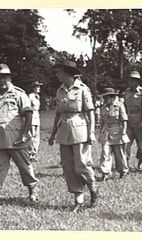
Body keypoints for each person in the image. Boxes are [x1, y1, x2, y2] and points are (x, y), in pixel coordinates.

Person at [48, 60, 98, 213]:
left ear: (67, 73)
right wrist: (52, 134)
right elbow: (58, 114)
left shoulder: (82, 89)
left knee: (81, 165)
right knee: (68, 167)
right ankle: (78, 200)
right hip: (64, 131)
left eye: (59, 72)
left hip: (80, 130)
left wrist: (91, 132)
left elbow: (90, 112)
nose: (57, 75)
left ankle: (93, 188)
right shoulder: (60, 90)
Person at [0, 64, 39, 204]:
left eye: (4, 77)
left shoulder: (19, 94)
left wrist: (25, 133)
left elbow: (28, 114)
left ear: (9, 78)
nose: (1, 81)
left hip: (16, 138)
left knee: (24, 166)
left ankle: (33, 190)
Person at [98, 88, 130, 181]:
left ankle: (123, 171)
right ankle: (105, 172)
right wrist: (101, 133)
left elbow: (124, 121)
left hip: (117, 132)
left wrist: (123, 133)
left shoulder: (119, 106)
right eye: (104, 98)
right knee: (105, 153)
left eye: (107, 98)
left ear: (112, 98)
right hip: (106, 132)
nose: (105, 100)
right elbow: (102, 122)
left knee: (119, 154)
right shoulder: (103, 107)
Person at [124, 71, 142, 170]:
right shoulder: (127, 92)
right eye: (129, 80)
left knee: (141, 145)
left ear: (137, 81)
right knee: (126, 143)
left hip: (139, 120)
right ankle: (125, 163)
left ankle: (140, 164)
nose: (130, 82)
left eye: (132, 80)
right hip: (128, 121)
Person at [28, 80, 44, 162]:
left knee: (37, 137)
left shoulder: (38, 97)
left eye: (39, 87)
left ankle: (34, 154)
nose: (39, 88)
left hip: (37, 118)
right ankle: (30, 154)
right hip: (32, 118)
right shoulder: (30, 96)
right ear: (33, 88)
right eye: (37, 87)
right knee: (32, 136)